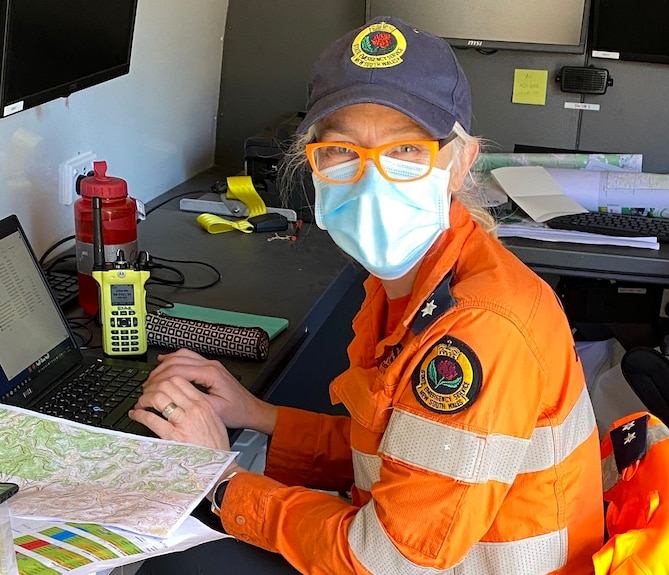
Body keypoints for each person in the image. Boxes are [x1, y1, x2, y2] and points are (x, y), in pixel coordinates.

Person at [134, 16, 604, 574]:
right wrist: (258, 415)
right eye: (342, 152)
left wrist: (221, 484)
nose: (372, 180)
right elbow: (397, 451)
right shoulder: (413, 282)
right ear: (314, 165)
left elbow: (387, 562)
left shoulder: (479, 330)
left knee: (177, 561)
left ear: (460, 162)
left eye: (406, 150)